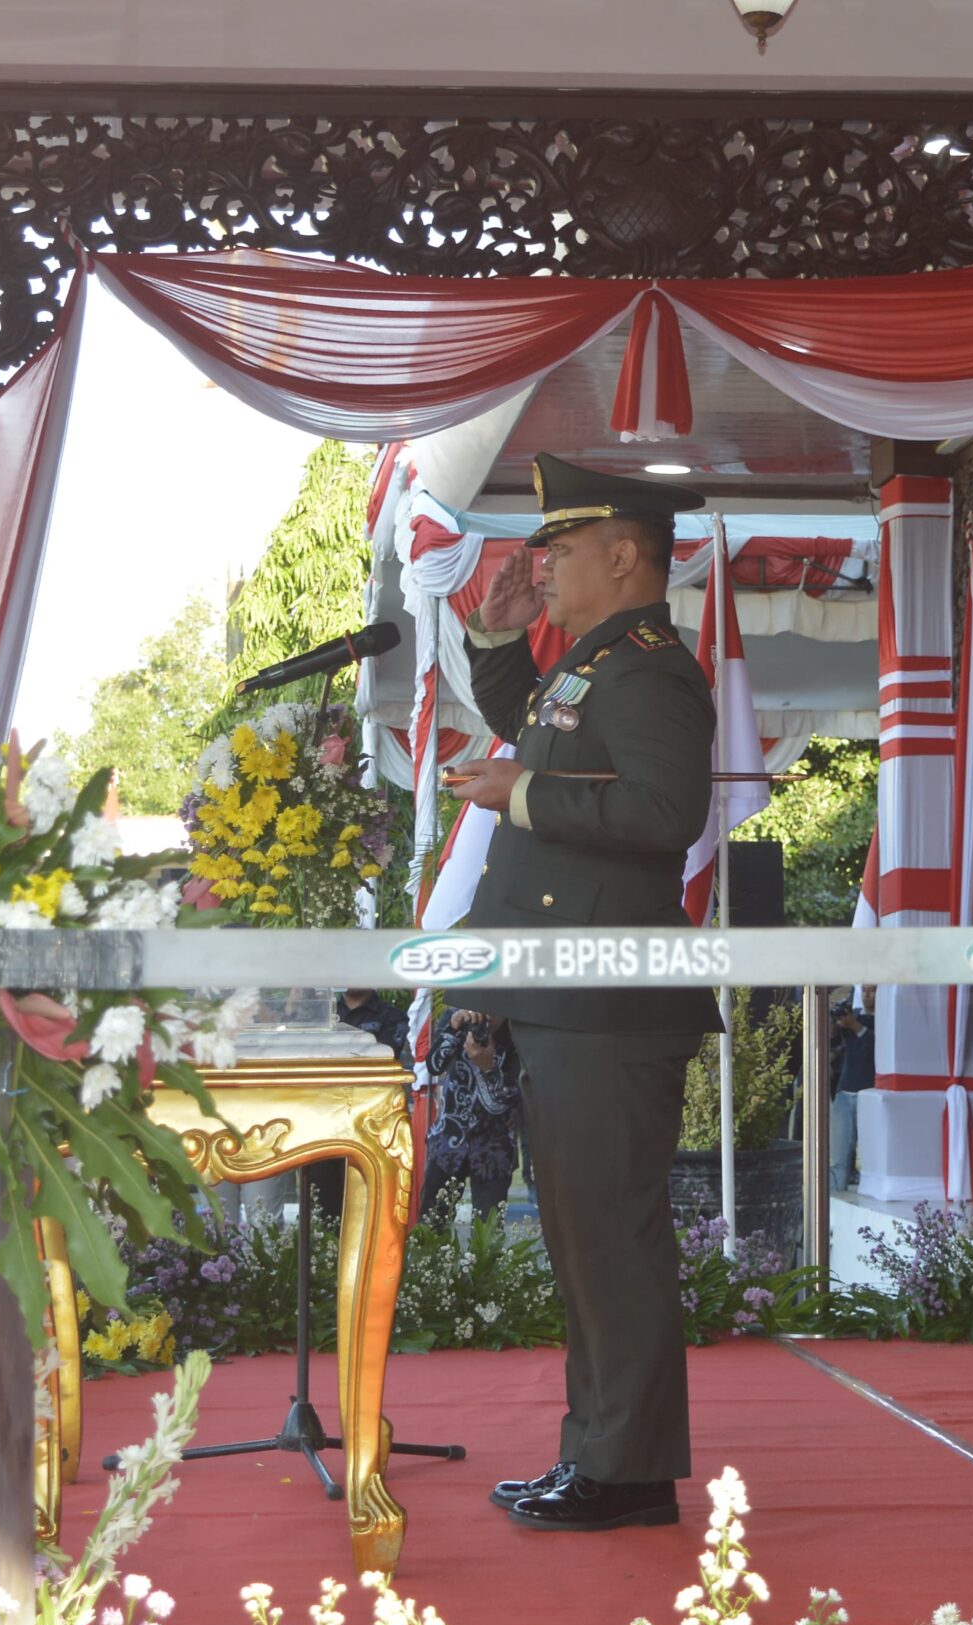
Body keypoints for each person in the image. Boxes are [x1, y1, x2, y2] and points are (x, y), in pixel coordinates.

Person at [442, 453, 719, 1532]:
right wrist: (503, 639)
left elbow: (662, 812)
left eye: (560, 547)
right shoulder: (598, 661)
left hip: (607, 1001)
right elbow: (546, 730)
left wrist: (523, 796)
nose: (543, 562)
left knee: (607, 1237)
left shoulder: (649, 668)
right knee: (582, 1237)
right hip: (566, 997)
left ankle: (627, 1470)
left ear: (623, 554)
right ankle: (600, 1454)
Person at [308, 989, 411, 1220]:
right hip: (323, 1123)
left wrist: (337, 1055)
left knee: (365, 1209)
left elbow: (383, 1057)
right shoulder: (321, 1016)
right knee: (320, 1207)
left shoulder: (391, 1017)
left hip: (367, 1125)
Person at [420, 1008, 524, 1224]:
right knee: (431, 1224)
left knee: (488, 1231)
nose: (489, 1015)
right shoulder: (456, 1019)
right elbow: (433, 1065)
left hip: (494, 1148)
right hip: (448, 1140)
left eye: (496, 1008)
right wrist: (453, 1027)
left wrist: (488, 1068)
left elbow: (509, 1099)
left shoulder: (518, 1033)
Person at [828, 992, 873, 1191]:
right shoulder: (853, 1017)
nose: (867, 995)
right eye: (864, 990)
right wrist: (833, 1017)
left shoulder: (886, 1019)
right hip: (845, 1092)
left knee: (871, 1159)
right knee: (839, 1158)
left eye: (872, 990)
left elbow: (876, 1045)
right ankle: (835, 1205)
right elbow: (830, 1036)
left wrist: (854, 1025)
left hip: (872, 1097)